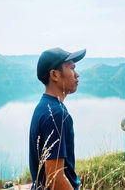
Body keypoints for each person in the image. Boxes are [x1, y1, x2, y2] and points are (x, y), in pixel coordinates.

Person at [29, 47, 86, 190]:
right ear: (54, 74)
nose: (77, 75)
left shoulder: (44, 106)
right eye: (71, 68)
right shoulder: (56, 114)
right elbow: (55, 178)